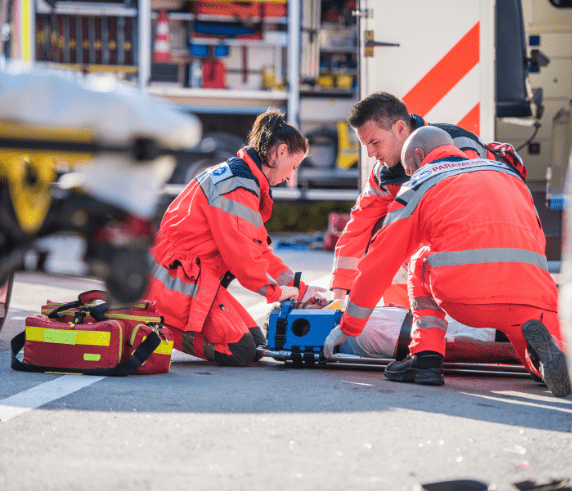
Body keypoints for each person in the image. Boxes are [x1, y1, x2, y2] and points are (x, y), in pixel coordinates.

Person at [323, 126, 571, 398]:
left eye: (409, 168)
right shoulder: (506, 174)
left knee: (418, 259)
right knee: (535, 351)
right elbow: (535, 238)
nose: (409, 175)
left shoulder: (422, 182)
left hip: (467, 299)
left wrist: (349, 326)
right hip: (534, 296)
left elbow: (380, 261)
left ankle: (425, 358)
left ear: (418, 157)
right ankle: (544, 365)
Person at [146, 108, 327, 367]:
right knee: (241, 351)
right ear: (281, 152)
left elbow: (259, 252)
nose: (290, 177)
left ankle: (169, 319)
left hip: (193, 279)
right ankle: (160, 323)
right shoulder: (238, 188)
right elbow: (244, 261)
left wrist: (302, 290)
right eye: (294, 166)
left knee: (257, 345)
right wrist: (277, 293)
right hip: (176, 283)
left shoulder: (244, 180)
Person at [330, 92, 526, 308]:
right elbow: (358, 228)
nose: (370, 154)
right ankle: (403, 319)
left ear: (400, 129)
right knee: (381, 242)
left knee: (403, 247)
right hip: (456, 243)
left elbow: (472, 216)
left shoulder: (459, 148)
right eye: (365, 145)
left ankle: (473, 318)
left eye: (375, 142)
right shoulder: (382, 173)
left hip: (489, 243)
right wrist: (338, 297)